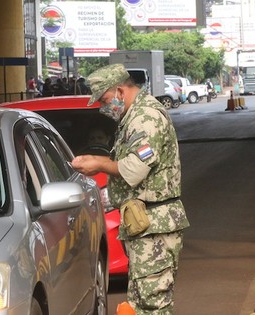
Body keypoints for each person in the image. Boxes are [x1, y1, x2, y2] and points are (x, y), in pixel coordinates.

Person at [71, 64, 189, 314]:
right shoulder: (132, 117)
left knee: (153, 304)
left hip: (155, 226)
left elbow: (135, 169)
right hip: (143, 224)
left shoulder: (146, 117)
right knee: (141, 304)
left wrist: (100, 163)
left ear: (120, 91)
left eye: (104, 99)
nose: (104, 108)